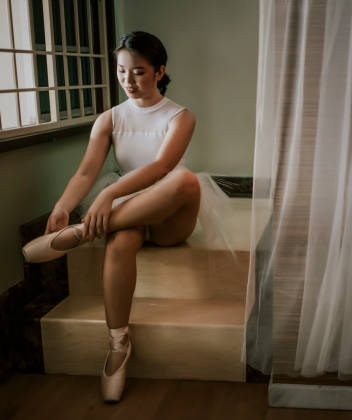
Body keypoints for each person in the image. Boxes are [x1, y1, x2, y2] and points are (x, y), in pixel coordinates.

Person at [21, 31, 204, 403]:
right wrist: (61, 206)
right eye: (122, 71)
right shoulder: (109, 118)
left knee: (185, 180)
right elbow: (87, 172)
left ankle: (80, 234)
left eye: (138, 71)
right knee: (119, 245)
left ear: (159, 71)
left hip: (168, 214)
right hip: (128, 214)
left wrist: (108, 193)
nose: (128, 80)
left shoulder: (181, 116)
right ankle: (118, 345)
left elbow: (161, 167)